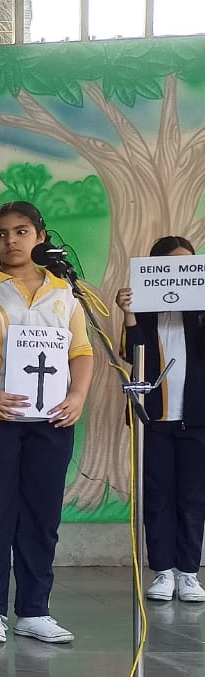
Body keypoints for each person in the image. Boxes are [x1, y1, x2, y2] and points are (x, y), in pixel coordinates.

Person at [0, 201, 93, 645]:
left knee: (42, 516)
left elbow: (81, 352)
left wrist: (77, 396)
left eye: (22, 232)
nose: (11, 241)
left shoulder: (66, 293)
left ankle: (34, 610)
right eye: (1, 234)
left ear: (41, 236)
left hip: (51, 420)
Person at [117, 236, 205, 603]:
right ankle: (163, 571)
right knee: (158, 496)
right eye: (172, 265)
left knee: (193, 498)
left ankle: (188, 573)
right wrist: (129, 313)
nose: (179, 272)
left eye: (188, 265)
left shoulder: (199, 310)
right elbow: (130, 353)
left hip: (196, 419)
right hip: (154, 419)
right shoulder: (146, 309)